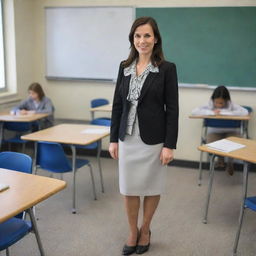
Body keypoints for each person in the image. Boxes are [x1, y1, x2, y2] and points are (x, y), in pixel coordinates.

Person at [109, 17, 179, 255]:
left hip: (153, 140)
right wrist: (112, 139)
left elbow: (173, 109)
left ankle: (146, 229)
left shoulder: (167, 69)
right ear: (133, 39)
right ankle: (132, 231)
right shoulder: (124, 66)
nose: (142, 40)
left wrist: (169, 145)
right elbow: (117, 105)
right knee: (128, 188)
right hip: (127, 139)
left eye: (147, 35)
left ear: (156, 38)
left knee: (151, 187)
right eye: (138, 36)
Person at [191, 85, 248, 175]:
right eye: (216, 102)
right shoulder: (209, 105)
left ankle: (230, 163)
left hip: (231, 132)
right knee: (211, 144)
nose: (218, 105)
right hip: (215, 132)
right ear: (213, 100)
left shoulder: (231, 105)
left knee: (235, 144)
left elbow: (245, 112)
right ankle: (220, 159)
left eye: (221, 103)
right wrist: (211, 112)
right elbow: (194, 111)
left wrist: (226, 113)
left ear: (226, 101)